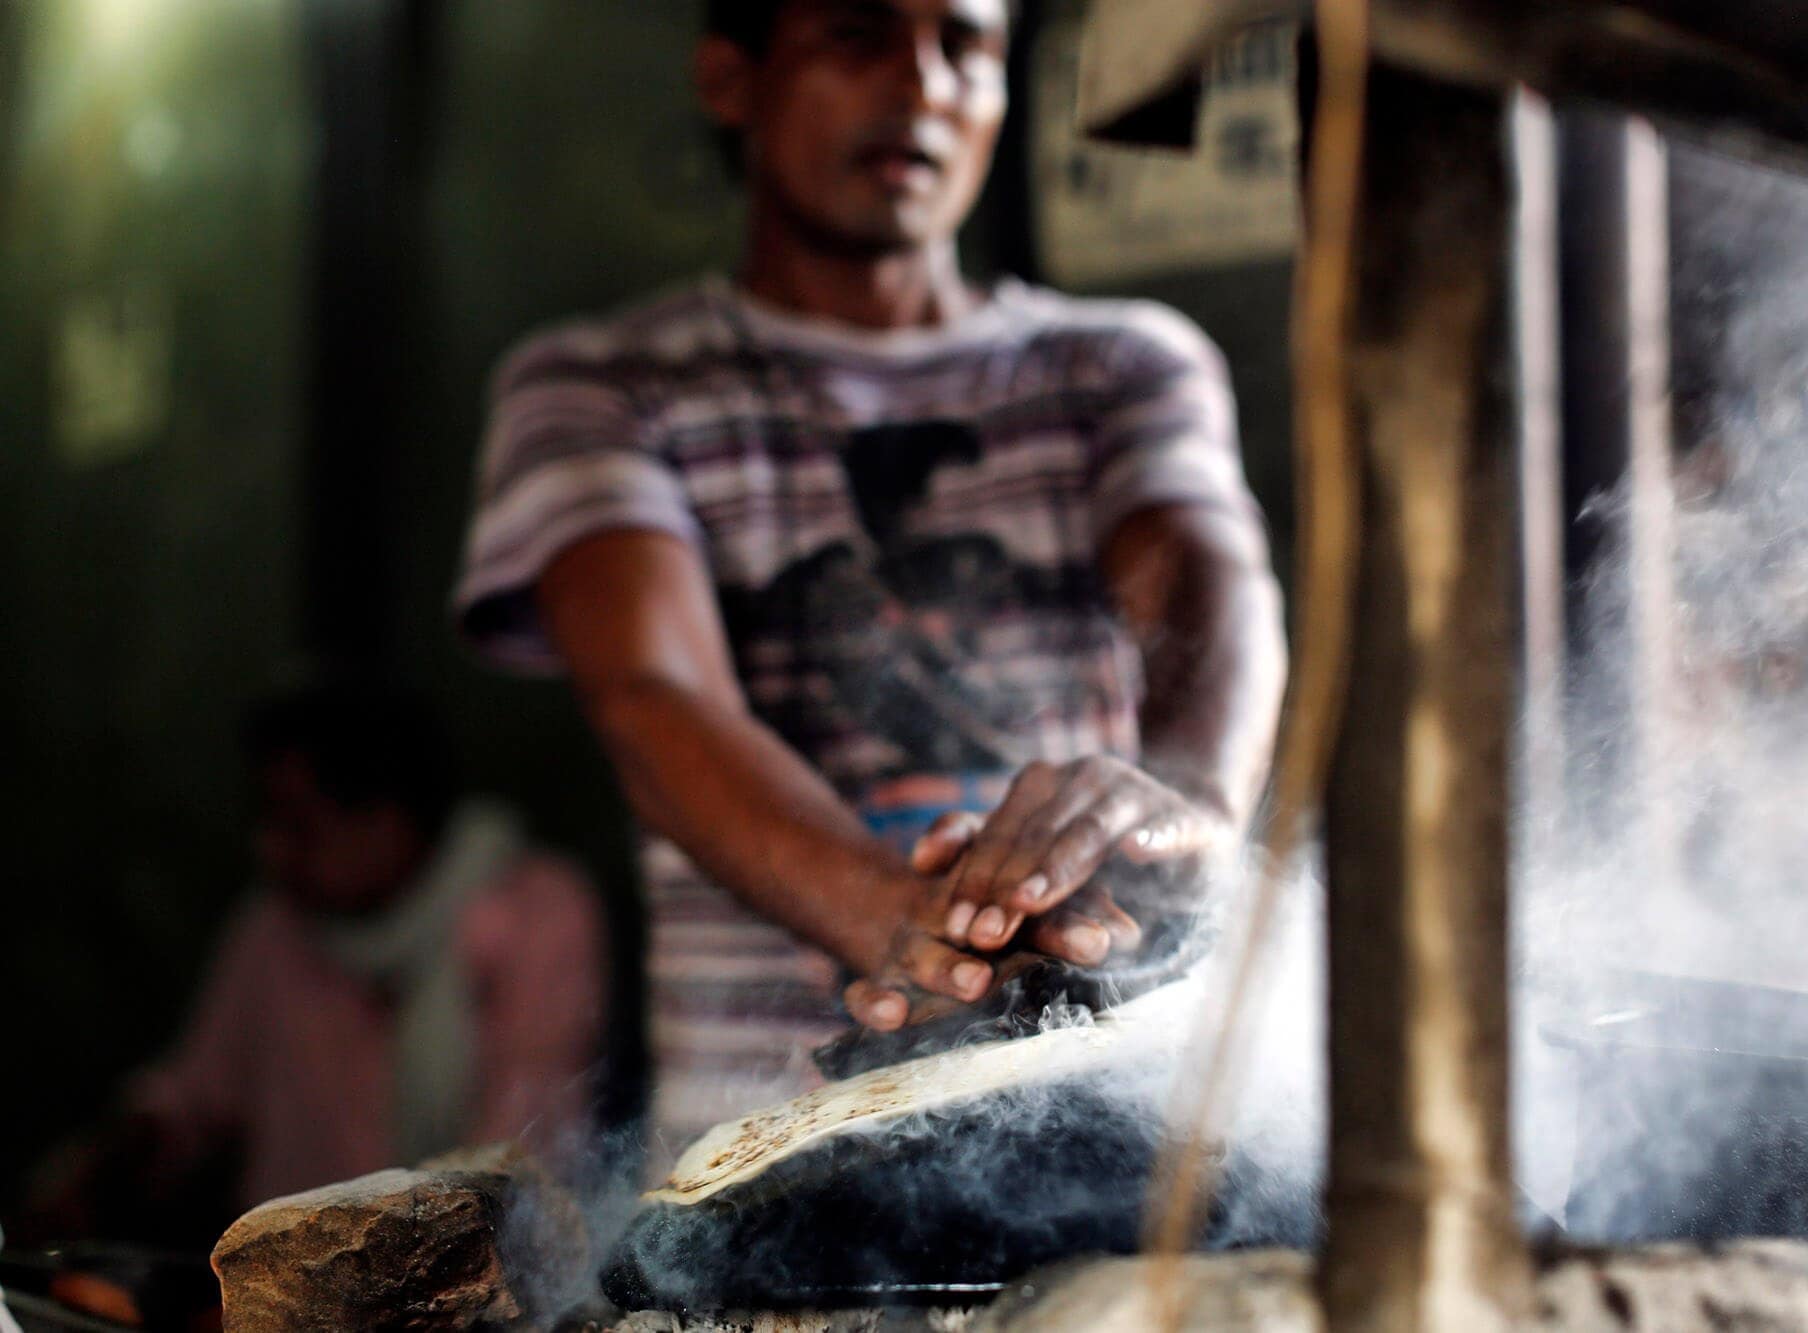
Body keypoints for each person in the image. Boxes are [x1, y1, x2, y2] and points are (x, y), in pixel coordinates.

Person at [454, 0, 1287, 1147]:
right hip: (754, 1169)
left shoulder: (1120, 364)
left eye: (964, 45)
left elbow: (1212, 583)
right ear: (728, 80)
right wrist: (916, 929)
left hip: (1108, 1135)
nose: (922, 86)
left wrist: (1187, 807)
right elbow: (655, 701)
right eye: (855, 33)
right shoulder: (598, 386)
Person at [23, 684, 606, 1240]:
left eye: (299, 825)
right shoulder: (274, 923)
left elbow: (524, 1148)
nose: (270, 849)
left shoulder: (534, 912)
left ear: (388, 819)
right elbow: (197, 1094)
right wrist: (111, 1160)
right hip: (282, 1287)